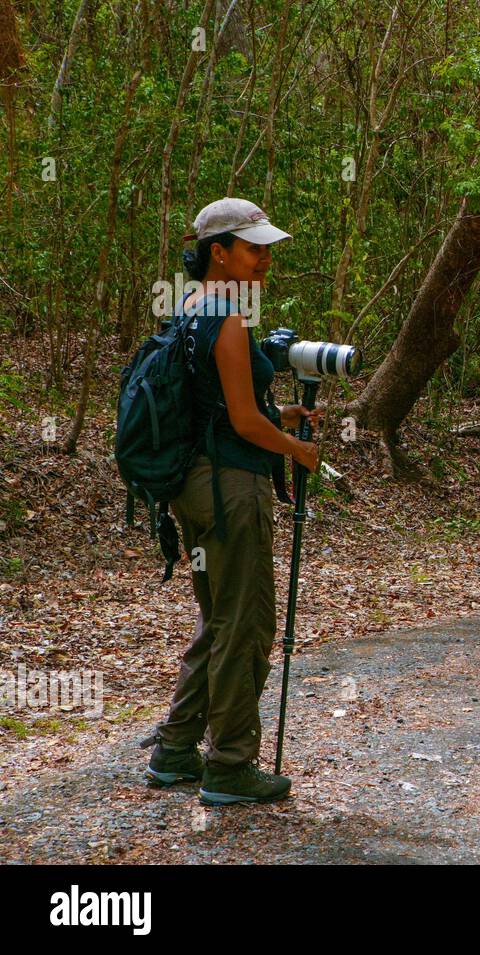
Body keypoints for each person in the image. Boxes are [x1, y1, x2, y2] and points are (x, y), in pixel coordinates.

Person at [140, 197, 321, 806]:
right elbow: (245, 422)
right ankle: (232, 765)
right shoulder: (232, 319)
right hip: (231, 490)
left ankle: (175, 749)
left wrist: (283, 415)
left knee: (217, 615)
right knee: (244, 622)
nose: (265, 259)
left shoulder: (191, 309)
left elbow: (220, 404)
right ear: (219, 253)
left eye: (267, 248)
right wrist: (294, 447)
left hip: (193, 485)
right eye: (253, 248)